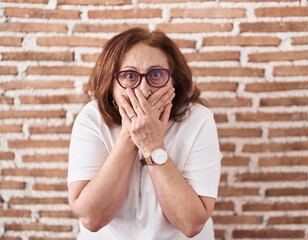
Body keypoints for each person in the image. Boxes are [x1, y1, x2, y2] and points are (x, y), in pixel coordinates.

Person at [67, 27, 222, 240]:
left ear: (174, 81)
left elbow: (191, 223)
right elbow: (92, 218)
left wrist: (152, 145)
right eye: (130, 76)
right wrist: (131, 134)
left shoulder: (198, 119)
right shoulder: (92, 118)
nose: (143, 89)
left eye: (156, 74)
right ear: (111, 84)